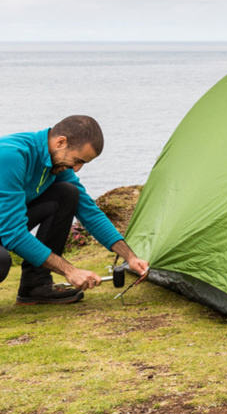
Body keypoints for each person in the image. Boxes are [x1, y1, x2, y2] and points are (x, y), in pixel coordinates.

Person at [0, 115, 149, 304]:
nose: (76, 169)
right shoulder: (10, 157)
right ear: (60, 142)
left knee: (68, 193)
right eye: (77, 160)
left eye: (83, 163)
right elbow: (12, 233)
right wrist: (70, 271)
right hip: (5, 229)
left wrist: (130, 257)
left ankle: (36, 286)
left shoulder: (54, 162)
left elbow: (89, 211)